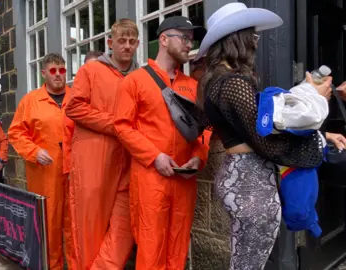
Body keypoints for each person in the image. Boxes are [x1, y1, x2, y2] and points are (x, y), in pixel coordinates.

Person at [195, 3, 332, 269]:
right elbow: (265, 140)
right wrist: (315, 108)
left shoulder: (215, 80)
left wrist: (327, 134)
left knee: (243, 259)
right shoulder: (233, 82)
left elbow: (257, 125)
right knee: (249, 263)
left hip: (239, 176)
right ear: (238, 39)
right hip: (250, 182)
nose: (256, 43)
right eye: (253, 36)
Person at [113, 16, 211, 269]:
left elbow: (205, 130)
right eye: (184, 38)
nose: (189, 44)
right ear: (164, 40)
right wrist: (153, 155)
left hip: (184, 179)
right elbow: (122, 126)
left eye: (192, 39)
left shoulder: (192, 86)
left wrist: (199, 158)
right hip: (150, 178)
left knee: (178, 247)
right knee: (150, 244)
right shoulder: (135, 81)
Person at [64, 18, 139, 269]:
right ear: (110, 43)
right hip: (93, 159)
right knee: (89, 228)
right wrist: (115, 125)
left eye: (131, 41)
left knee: (125, 226)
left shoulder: (140, 77)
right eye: (122, 41)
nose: (127, 46)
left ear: (138, 44)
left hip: (129, 160)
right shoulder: (91, 71)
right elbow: (73, 107)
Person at [8, 53, 75, 270]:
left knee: (75, 223)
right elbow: (16, 133)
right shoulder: (31, 101)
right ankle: (52, 266)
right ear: (44, 73)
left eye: (62, 70)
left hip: (75, 172)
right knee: (49, 223)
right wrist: (34, 151)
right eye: (53, 71)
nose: (58, 75)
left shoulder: (77, 98)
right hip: (45, 174)